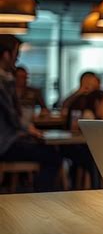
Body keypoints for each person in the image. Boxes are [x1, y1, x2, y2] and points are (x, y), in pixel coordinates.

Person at [0, 35, 62, 192]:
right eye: (16, 53)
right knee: (53, 156)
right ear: (6, 55)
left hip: (8, 141)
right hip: (5, 145)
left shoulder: (6, 79)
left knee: (49, 151)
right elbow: (12, 116)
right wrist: (28, 129)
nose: (18, 58)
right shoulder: (2, 82)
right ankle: (40, 200)